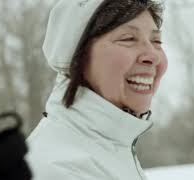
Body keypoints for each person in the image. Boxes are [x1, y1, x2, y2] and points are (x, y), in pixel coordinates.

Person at [26, 0, 167, 180]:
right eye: (129, 39)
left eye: (157, 40)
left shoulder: (109, 148)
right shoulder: (59, 170)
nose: (153, 56)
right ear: (78, 57)